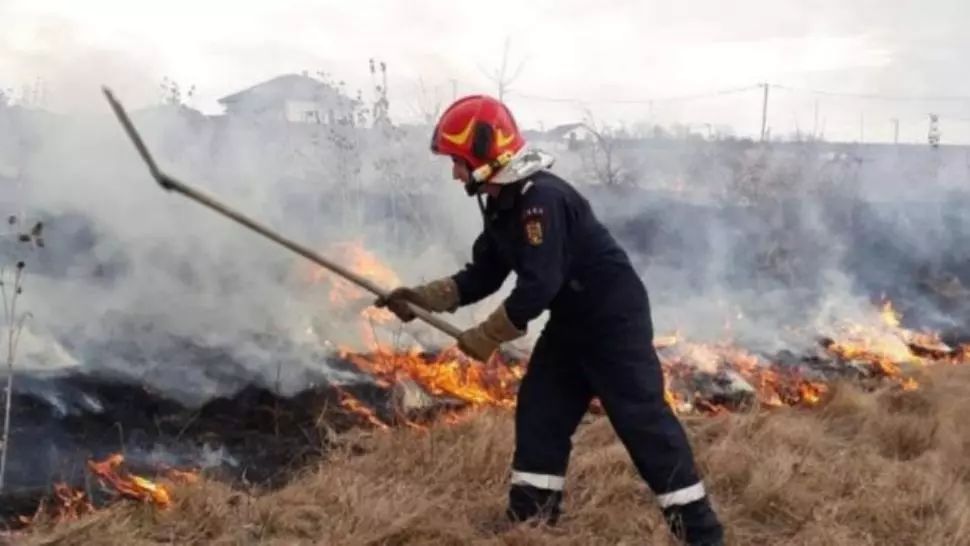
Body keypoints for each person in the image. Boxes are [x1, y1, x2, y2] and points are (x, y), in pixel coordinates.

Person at [375, 95, 724, 545]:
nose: (455, 173)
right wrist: (421, 299)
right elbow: (484, 274)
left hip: (612, 323)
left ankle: (701, 534)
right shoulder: (502, 203)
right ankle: (531, 525)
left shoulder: (542, 200)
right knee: (541, 413)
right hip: (570, 325)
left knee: (644, 426)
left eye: (458, 161)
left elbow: (540, 284)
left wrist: (488, 336)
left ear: (485, 153)